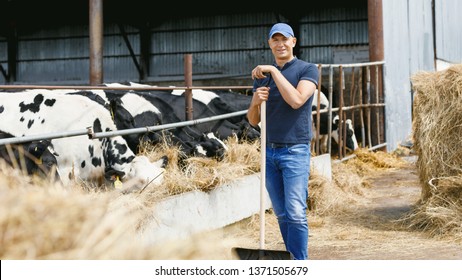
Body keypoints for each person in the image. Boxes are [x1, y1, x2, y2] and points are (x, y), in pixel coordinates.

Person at [246, 22, 319, 260]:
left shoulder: (307, 69)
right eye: (275, 40)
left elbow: (297, 100)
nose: (280, 44)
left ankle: (300, 262)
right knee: (281, 214)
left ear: (293, 42)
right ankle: (290, 260)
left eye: (284, 39)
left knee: (296, 212)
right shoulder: (261, 77)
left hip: (295, 150)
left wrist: (275, 71)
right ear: (269, 43)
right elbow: (253, 120)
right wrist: (255, 102)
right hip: (269, 151)